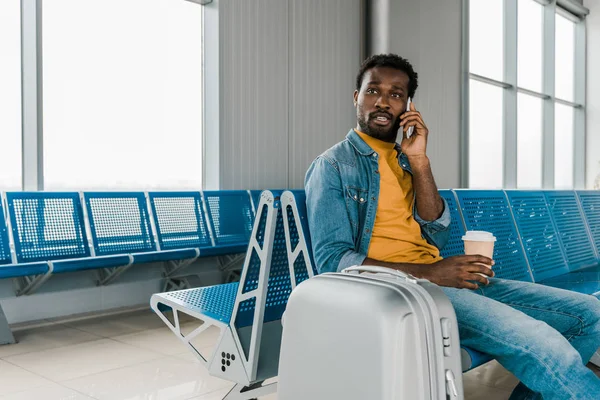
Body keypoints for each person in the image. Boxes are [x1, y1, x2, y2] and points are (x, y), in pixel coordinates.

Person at [304, 53, 600, 400]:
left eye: (396, 94)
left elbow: (437, 232)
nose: (383, 101)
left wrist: (419, 161)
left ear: (408, 106)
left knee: (590, 314)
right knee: (544, 344)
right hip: (403, 292)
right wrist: (429, 274)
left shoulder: (406, 160)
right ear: (356, 97)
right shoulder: (333, 166)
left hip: (444, 281)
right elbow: (332, 261)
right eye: (373, 91)